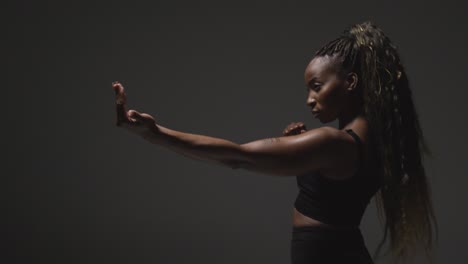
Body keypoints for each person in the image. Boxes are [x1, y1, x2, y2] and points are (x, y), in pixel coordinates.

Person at [112, 21, 438, 264]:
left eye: (317, 86)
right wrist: (303, 153)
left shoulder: (333, 143)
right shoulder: (374, 141)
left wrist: (156, 135)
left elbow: (237, 157)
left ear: (351, 82)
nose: (310, 100)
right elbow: (333, 193)